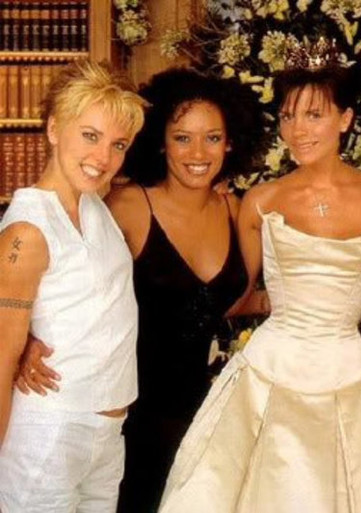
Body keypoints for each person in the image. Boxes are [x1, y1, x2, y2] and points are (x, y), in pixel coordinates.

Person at [158, 45, 361, 512]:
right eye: (288, 116)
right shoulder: (260, 201)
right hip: (268, 371)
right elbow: (238, 295)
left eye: (314, 115)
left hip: (348, 372)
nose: (298, 130)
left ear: (345, 119)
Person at [15, 68, 266, 512]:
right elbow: (46, 264)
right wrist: (24, 338)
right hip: (123, 416)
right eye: (182, 137)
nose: (198, 152)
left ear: (230, 143)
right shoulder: (125, 205)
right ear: (161, 142)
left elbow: (229, 302)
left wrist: (323, 301)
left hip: (200, 412)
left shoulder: (233, 207)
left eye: (212, 138)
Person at [0, 60, 145, 512]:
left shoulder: (95, 206)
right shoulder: (28, 230)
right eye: (89, 135)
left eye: (118, 144)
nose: (103, 157)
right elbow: (0, 356)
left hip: (107, 434)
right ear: (53, 128)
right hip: (49, 433)